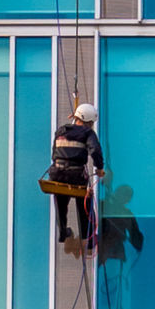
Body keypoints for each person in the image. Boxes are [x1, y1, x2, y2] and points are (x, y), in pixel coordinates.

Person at [49, 103, 104, 245]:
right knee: (85, 201)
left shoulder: (60, 131)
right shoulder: (87, 133)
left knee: (61, 201)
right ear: (89, 121)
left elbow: (54, 154)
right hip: (75, 175)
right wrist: (99, 168)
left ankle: (62, 231)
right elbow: (95, 150)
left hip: (56, 173)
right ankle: (89, 237)